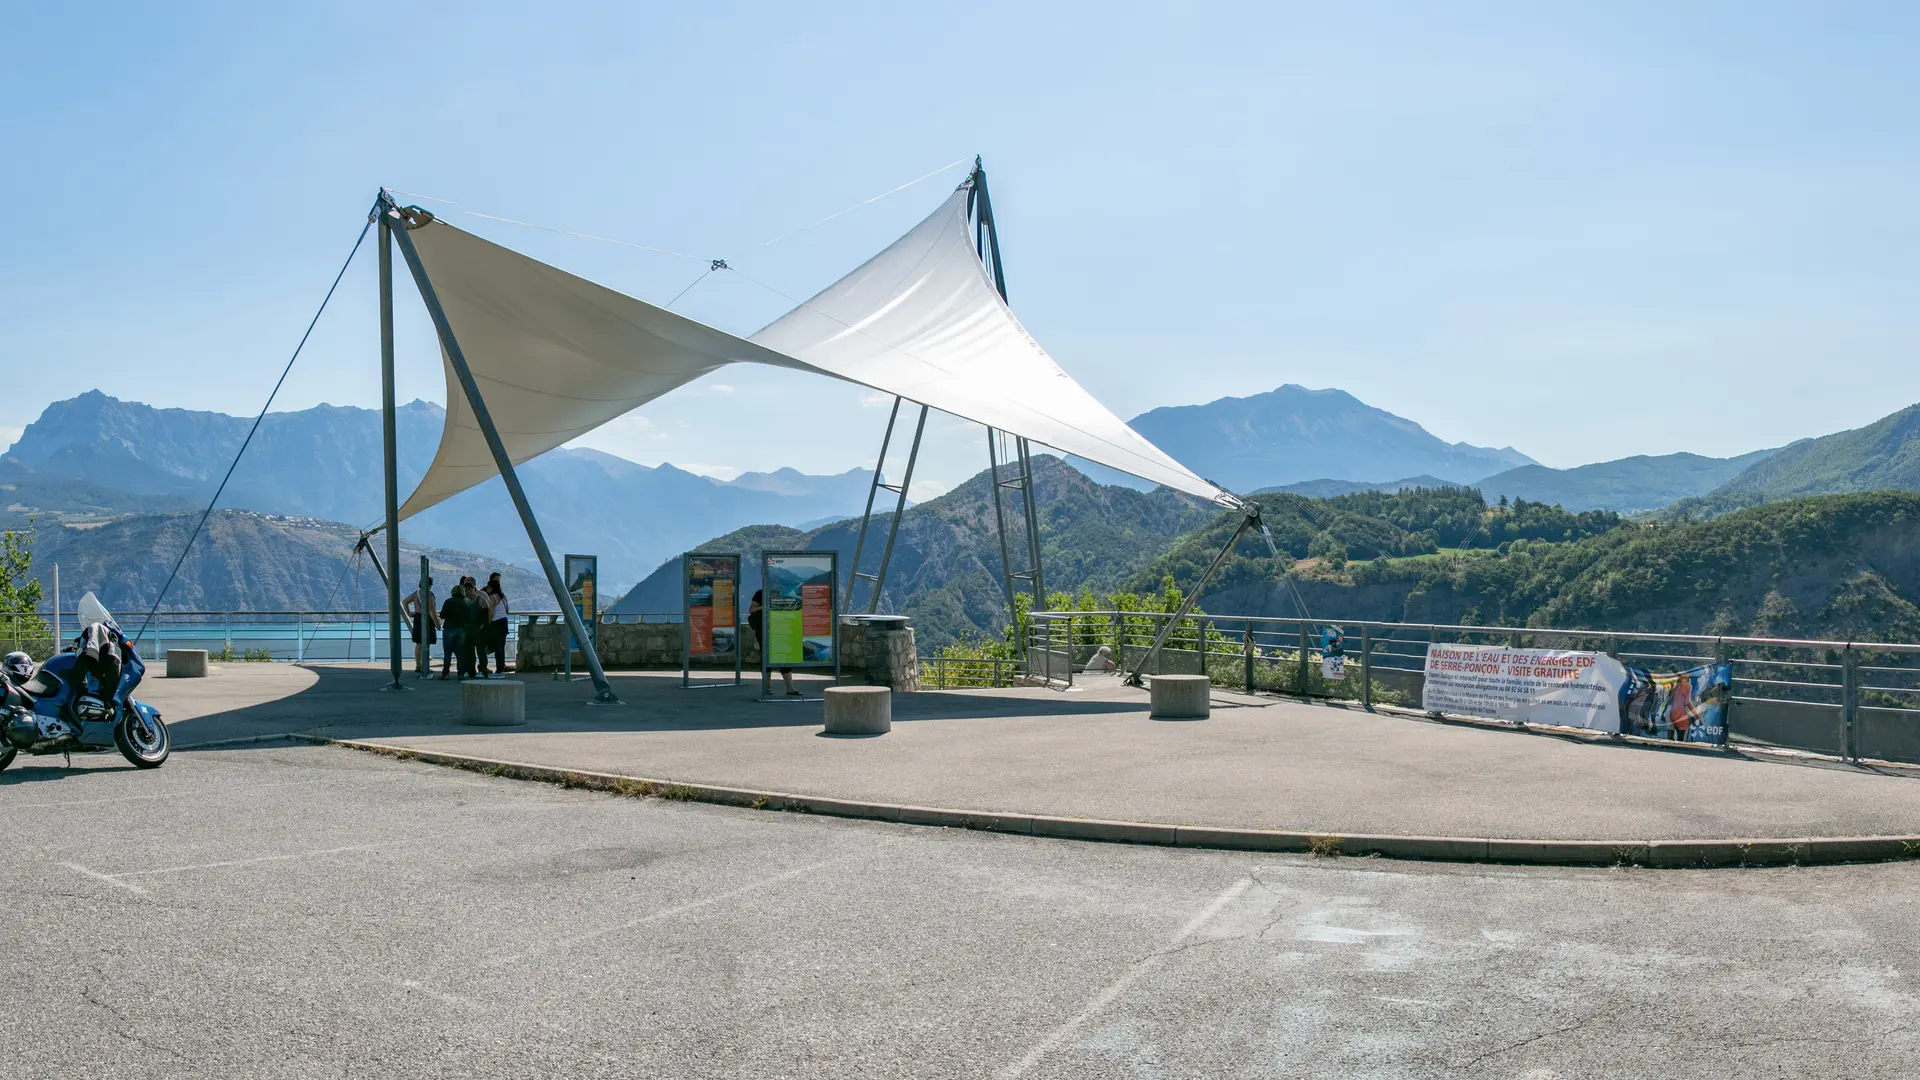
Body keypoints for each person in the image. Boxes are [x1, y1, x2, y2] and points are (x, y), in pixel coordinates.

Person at [746, 589, 799, 697]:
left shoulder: (784, 592)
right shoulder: (761, 593)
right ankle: (767, 687)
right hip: (765, 630)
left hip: (782, 627)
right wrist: (764, 607)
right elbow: (752, 609)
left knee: (784, 656)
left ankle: (790, 688)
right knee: (766, 657)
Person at [402, 577, 438, 677]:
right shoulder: (429, 594)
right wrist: (436, 622)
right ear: (430, 585)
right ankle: (425, 666)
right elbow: (431, 609)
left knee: (418, 643)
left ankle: (418, 665)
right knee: (426, 643)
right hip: (426, 618)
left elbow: (404, 602)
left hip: (417, 618)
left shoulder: (416, 593)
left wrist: (409, 613)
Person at [438, 578, 472, 680]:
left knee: (447, 653)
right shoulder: (467, 602)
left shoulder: (448, 601)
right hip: (462, 629)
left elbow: (443, 615)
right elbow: (469, 617)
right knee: (460, 653)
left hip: (449, 628)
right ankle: (460, 673)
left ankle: (445, 674)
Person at [483, 573, 510, 679]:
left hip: (497, 623)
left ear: (492, 587)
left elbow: (490, 612)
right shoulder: (503, 597)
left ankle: (499, 671)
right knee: (501, 647)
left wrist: (487, 624)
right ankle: (500, 668)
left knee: (497, 647)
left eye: (489, 587)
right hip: (504, 622)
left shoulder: (493, 597)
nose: (488, 589)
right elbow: (507, 611)